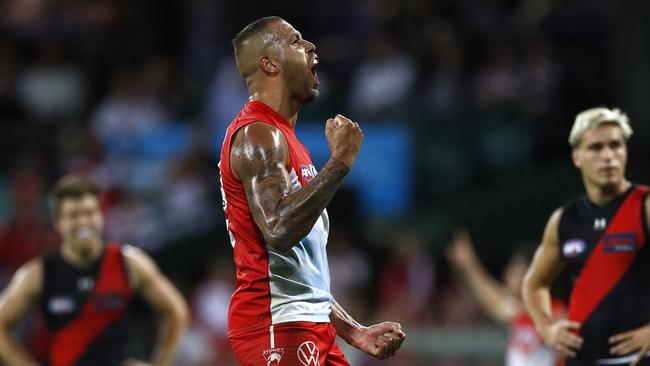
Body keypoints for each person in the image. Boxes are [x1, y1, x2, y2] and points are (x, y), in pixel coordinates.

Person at [219, 16, 406, 366]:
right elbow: (278, 230)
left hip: (307, 325)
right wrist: (340, 162)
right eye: (295, 41)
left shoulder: (287, 141)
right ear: (269, 63)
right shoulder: (258, 135)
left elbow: (301, 273)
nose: (309, 47)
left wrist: (353, 331)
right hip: (275, 327)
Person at [0, 175, 189, 366]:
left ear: (101, 216)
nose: (83, 222)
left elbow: (176, 311)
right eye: (74, 215)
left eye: (89, 212)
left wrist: (160, 363)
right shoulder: (38, 274)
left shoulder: (129, 263)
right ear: (58, 223)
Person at [522, 107, 650, 366]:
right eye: (596, 148)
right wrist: (546, 328)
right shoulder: (565, 220)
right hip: (581, 360)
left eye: (615, 145)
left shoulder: (645, 206)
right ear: (577, 157)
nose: (608, 156)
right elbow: (534, 284)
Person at [447, 229, 565, 366]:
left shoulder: (553, 313)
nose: (508, 273)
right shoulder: (522, 315)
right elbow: (495, 301)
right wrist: (469, 265)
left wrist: (470, 265)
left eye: (515, 268)